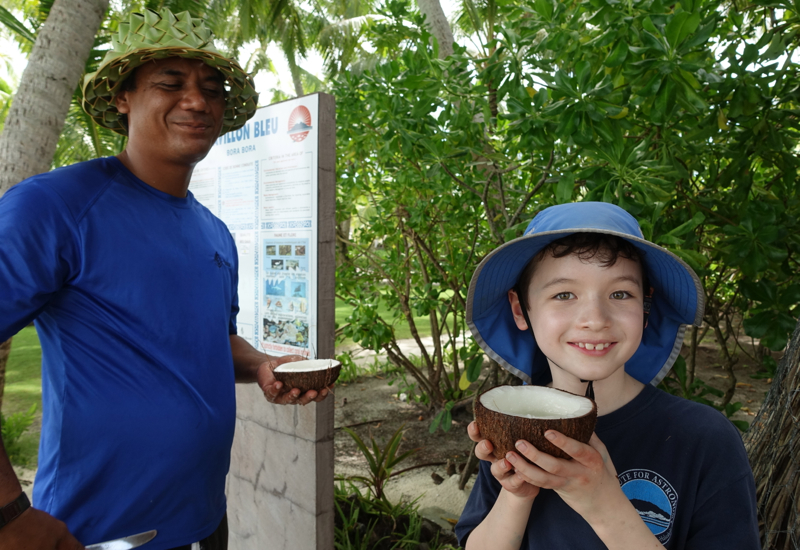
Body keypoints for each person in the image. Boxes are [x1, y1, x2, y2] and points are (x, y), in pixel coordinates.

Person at [0, 9, 330, 550]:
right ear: (123, 98)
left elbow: (212, 342)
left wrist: (263, 366)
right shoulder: (56, 207)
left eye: (211, 89)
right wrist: (9, 515)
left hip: (204, 522)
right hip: (100, 532)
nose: (197, 101)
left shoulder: (214, 233)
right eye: (170, 84)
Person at [455, 202, 760, 549]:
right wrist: (518, 495)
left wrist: (603, 505)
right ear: (519, 310)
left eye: (620, 293)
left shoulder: (705, 440)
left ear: (645, 309)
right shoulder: (512, 425)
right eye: (564, 294)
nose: (595, 318)